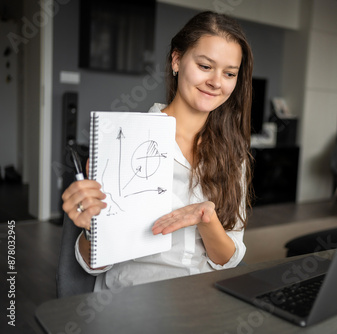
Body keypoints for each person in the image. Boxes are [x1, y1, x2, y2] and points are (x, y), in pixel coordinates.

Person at [61, 11, 254, 290]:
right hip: (135, 298)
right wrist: (94, 229)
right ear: (177, 61)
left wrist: (206, 220)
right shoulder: (126, 141)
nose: (216, 82)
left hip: (205, 298)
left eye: (229, 73)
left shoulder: (233, 154)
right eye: (204, 66)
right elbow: (91, 266)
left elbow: (228, 259)